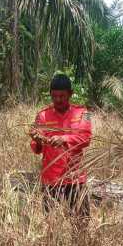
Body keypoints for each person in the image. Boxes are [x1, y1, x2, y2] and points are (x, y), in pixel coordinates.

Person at [29, 73, 93, 219]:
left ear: (71, 93)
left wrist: (64, 139)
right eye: (54, 96)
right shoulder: (41, 116)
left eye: (62, 96)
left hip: (75, 178)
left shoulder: (84, 112)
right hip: (51, 179)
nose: (58, 100)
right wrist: (37, 140)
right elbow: (35, 148)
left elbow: (86, 138)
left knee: (81, 222)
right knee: (50, 224)